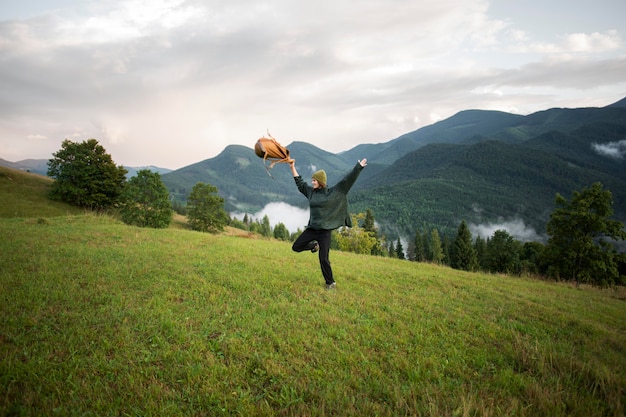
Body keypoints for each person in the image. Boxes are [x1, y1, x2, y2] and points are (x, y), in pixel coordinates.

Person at [288, 157, 367, 289]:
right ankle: (313, 245)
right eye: (312, 180)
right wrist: (292, 167)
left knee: (323, 259)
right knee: (296, 247)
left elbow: (348, 180)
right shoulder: (311, 192)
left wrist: (358, 167)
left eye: (314, 180)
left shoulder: (334, 192)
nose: (312, 182)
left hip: (324, 232)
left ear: (320, 182)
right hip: (312, 229)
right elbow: (299, 183)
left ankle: (330, 283)